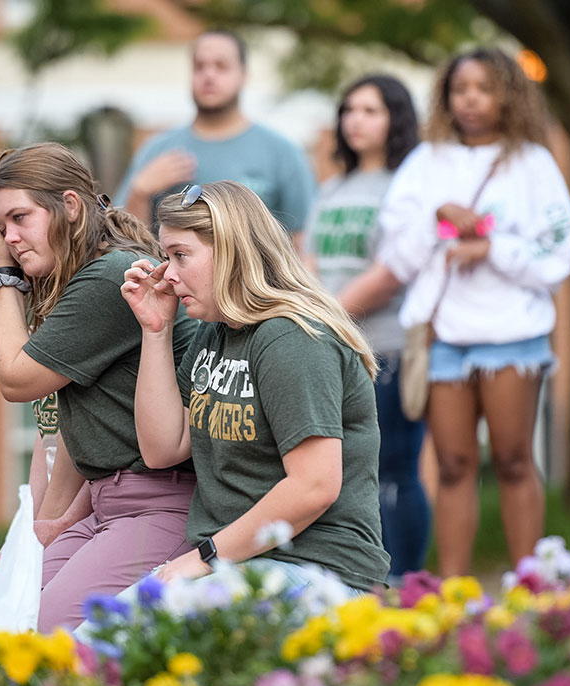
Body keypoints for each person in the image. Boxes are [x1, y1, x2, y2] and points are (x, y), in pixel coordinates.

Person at [347, 48, 570, 577]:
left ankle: (528, 586)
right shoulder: (427, 163)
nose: (470, 99)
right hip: (445, 335)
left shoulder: (533, 163)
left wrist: (491, 245)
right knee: (452, 466)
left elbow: (558, 254)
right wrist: (442, 220)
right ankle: (454, 591)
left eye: (483, 87)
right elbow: (398, 253)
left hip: (513, 334)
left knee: (514, 460)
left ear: (508, 94)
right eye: (459, 89)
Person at [119, 180, 390, 593]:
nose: (168, 275)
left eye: (180, 256)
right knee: (102, 635)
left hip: (316, 569)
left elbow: (313, 486)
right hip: (241, 563)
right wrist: (155, 331)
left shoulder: (291, 339)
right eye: (164, 257)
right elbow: (162, 449)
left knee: (124, 638)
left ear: (230, 250)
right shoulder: (217, 333)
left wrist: (204, 557)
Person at [0, 142, 200, 631]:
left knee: (43, 631)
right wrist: (53, 525)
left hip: (161, 504)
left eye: (19, 218)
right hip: (106, 507)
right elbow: (85, 432)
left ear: (71, 206)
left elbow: (15, 379)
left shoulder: (110, 277)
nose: (9, 238)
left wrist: (2, 278)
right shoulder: (77, 277)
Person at [303, 74, 428, 582]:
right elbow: (306, 259)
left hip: (384, 350)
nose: (356, 120)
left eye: (371, 111)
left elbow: (393, 272)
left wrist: (328, 315)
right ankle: (360, 579)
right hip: (330, 349)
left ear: (396, 118)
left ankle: (404, 581)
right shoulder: (331, 188)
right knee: (349, 474)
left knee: (394, 471)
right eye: (349, 109)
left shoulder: (409, 184)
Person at [0, 160, 88, 539]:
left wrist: (42, 534)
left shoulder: (80, 298)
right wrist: (27, 530)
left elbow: (19, 386)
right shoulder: (43, 307)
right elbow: (48, 432)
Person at [114, 29, 316, 242]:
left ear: (244, 75)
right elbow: (123, 239)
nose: (208, 75)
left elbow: (304, 241)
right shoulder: (157, 149)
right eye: (199, 67)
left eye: (221, 66)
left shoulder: (283, 152)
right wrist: (139, 193)